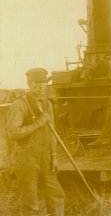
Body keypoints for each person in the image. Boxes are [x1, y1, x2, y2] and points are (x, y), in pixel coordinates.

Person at [7, 68, 65, 216]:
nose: (40, 86)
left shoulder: (48, 105)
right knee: (31, 202)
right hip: (26, 157)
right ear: (29, 83)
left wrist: (54, 156)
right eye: (36, 83)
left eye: (44, 83)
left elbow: (52, 134)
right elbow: (13, 134)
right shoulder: (19, 105)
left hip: (45, 155)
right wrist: (38, 123)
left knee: (56, 195)